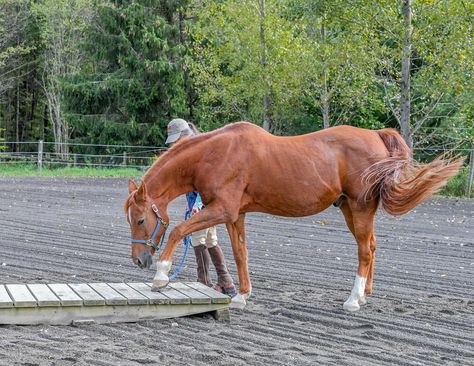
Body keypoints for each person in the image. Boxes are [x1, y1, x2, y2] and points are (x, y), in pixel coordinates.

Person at [166, 118, 237, 296]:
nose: (175, 144)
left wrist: (197, 205)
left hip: (205, 204)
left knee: (198, 240)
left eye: (176, 139)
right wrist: (190, 206)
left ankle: (204, 281)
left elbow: (206, 181)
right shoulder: (195, 148)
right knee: (210, 240)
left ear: (184, 135)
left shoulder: (200, 150)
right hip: (203, 204)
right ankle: (226, 282)